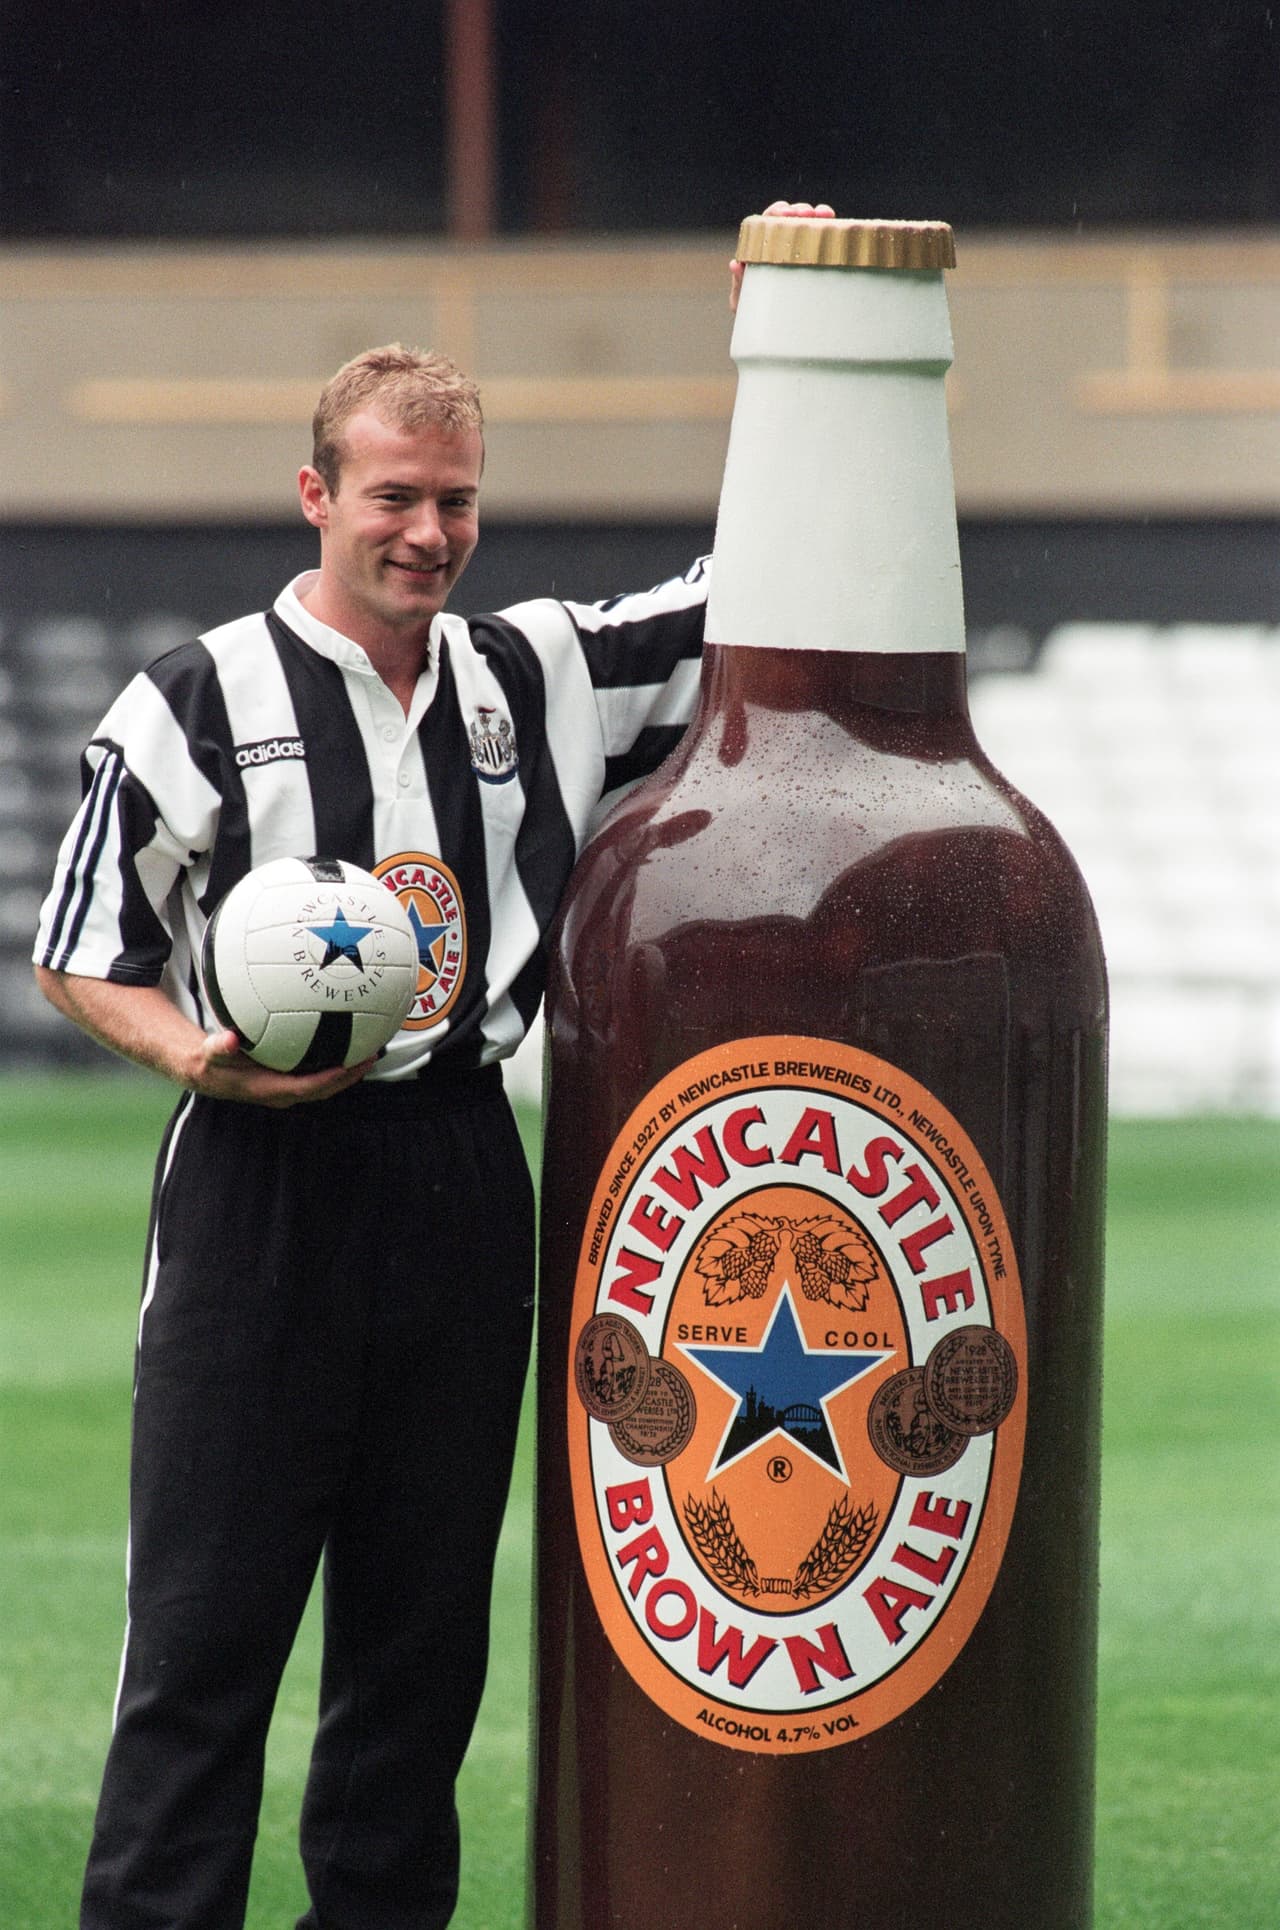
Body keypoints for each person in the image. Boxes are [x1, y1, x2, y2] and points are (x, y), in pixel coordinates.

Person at [33, 202, 830, 1930]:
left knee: (419, 1649)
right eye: (393, 495)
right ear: (316, 494)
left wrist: (779, 344)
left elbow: (747, 583)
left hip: (464, 1172)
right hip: (259, 1185)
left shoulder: (534, 669)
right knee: (203, 1644)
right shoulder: (188, 702)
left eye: (456, 498)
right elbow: (82, 949)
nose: (429, 530)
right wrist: (205, 1060)